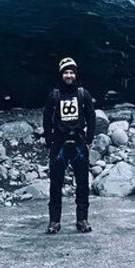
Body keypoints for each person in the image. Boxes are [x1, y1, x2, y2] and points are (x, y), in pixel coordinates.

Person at [42, 56, 96, 234]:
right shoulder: (54, 95)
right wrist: (49, 141)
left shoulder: (83, 94)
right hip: (59, 144)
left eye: (72, 72)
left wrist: (88, 140)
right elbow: (46, 118)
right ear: (61, 74)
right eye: (66, 72)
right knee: (55, 184)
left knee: (82, 184)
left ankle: (82, 219)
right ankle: (54, 221)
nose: (69, 75)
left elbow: (91, 117)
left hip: (79, 143)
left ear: (76, 74)